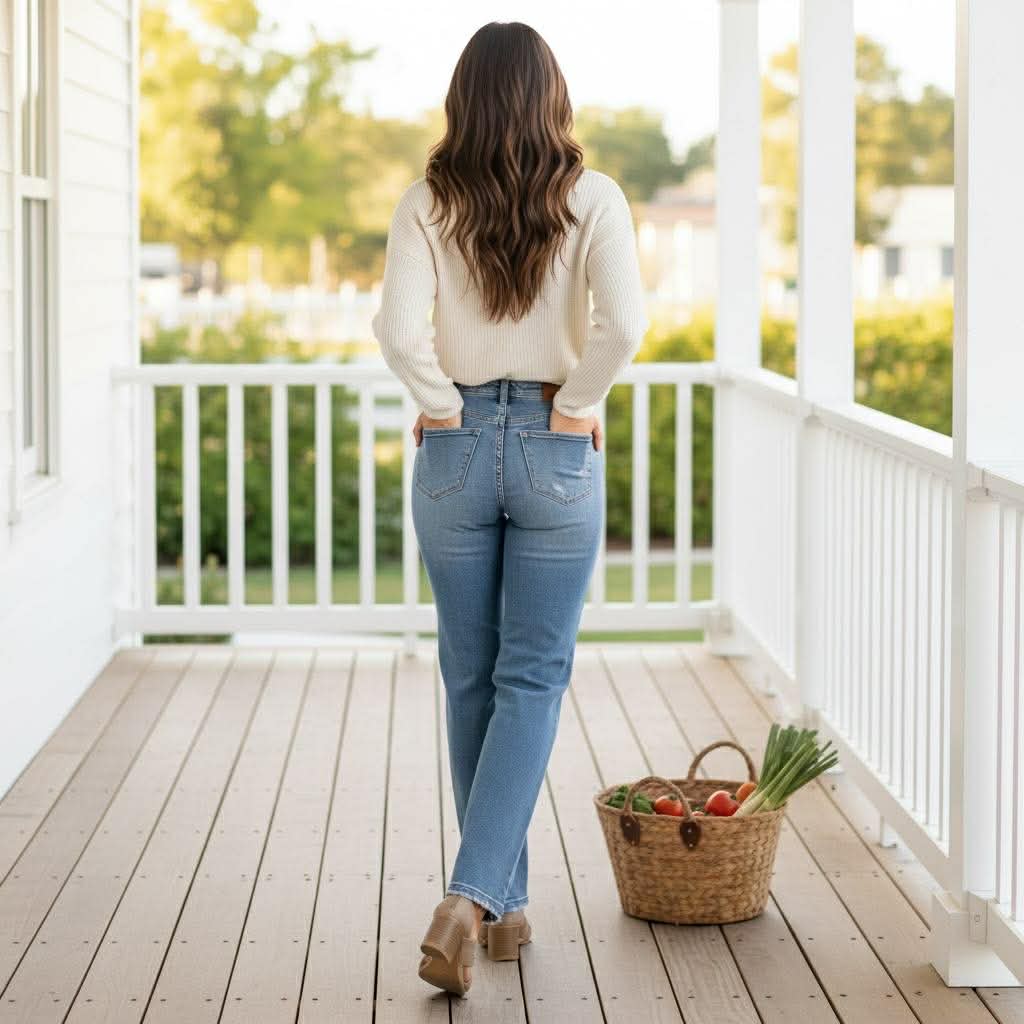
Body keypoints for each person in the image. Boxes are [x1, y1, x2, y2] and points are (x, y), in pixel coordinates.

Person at [371, 20, 648, 998]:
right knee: (531, 676)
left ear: (465, 101)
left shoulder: (427, 202)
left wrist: (442, 407)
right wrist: (575, 408)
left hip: (451, 452)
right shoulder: (594, 198)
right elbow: (627, 326)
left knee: (469, 675)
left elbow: (395, 330)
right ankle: (478, 896)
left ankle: (494, 903)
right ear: (551, 98)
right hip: (551, 448)